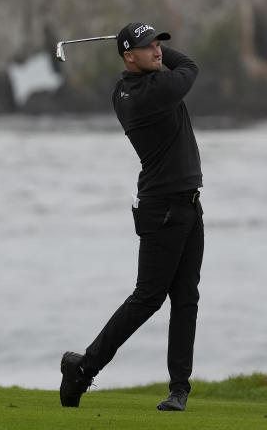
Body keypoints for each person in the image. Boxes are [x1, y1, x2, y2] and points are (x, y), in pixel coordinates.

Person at [59, 22, 205, 412]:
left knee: (186, 298)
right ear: (128, 56)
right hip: (163, 210)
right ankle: (84, 369)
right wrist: (151, 50)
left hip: (188, 204)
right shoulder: (149, 93)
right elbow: (189, 66)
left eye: (159, 44)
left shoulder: (130, 86)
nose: (158, 51)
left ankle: (179, 390)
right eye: (148, 47)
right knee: (148, 298)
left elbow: (170, 63)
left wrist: (143, 41)